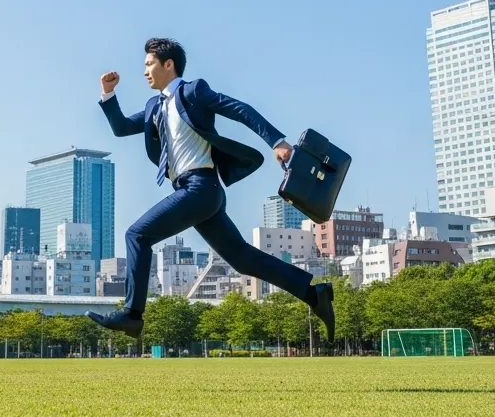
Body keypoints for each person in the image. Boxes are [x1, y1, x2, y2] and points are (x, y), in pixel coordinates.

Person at [86, 37, 335, 341]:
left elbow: (240, 109)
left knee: (137, 235)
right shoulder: (155, 106)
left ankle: (131, 315)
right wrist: (108, 94)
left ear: (168, 64)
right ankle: (313, 294)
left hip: (201, 187)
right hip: (196, 194)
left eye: (149, 64)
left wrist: (277, 142)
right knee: (242, 259)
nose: (144, 71)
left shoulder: (193, 91)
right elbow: (122, 127)